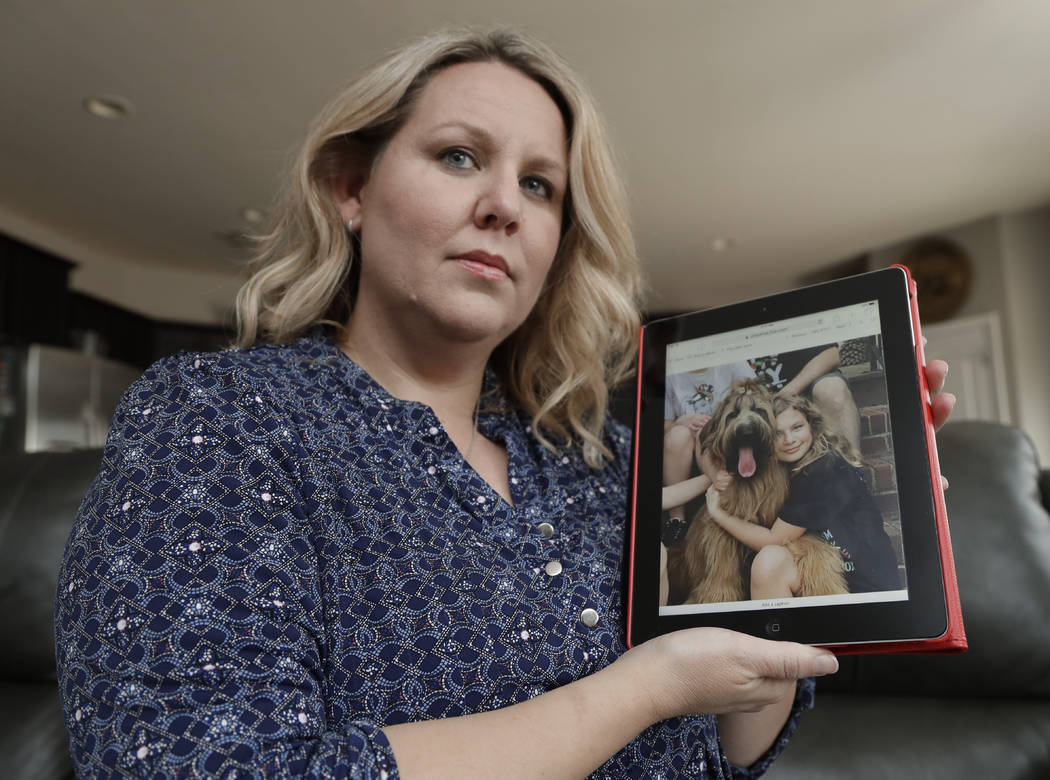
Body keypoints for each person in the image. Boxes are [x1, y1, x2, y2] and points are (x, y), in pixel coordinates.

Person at [54, 27, 953, 779]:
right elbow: (195, 764)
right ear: (352, 187)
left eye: (539, 185)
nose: (503, 207)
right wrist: (641, 689)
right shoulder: (222, 420)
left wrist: (823, 580)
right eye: (458, 157)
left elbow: (723, 747)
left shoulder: (602, 455)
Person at [704, 394, 902, 599]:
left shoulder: (823, 470)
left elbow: (774, 540)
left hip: (866, 588)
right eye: (777, 434)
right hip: (837, 576)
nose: (789, 440)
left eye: (797, 427)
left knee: (770, 561)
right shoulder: (800, 467)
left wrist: (718, 514)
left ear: (812, 427)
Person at [662, 362, 755, 544]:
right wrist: (682, 421)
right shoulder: (670, 373)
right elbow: (664, 425)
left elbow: (757, 395)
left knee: (706, 434)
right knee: (677, 435)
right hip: (687, 441)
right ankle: (676, 518)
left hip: (724, 433)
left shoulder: (731, 362)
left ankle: (726, 506)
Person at [752, 344, 862, 455]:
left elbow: (831, 355)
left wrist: (786, 394)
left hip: (802, 394)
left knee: (831, 389)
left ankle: (851, 465)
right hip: (759, 406)